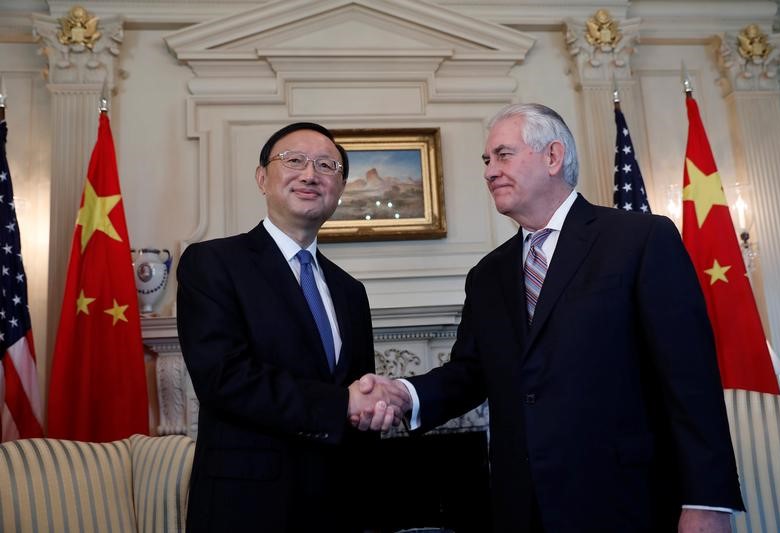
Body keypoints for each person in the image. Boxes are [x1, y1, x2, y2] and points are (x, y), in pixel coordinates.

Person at [356, 104, 744, 532]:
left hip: (627, 501)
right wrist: (404, 394)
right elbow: (470, 373)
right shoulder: (487, 275)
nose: (489, 172)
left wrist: (708, 500)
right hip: (523, 507)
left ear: (553, 157)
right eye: (487, 161)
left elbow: (690, 379)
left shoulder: (640, 240)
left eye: (503, 155)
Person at [177, 121, 407, 532]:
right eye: (294, 160)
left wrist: (376, 407)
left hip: (338, 507)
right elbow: (224, 378)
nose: (310, 174)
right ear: (263, 178)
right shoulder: (212, 264)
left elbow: (356, 393)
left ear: (339, 188)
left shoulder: (350, 291)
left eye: (326, 165)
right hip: (248, 507)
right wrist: (343, 405)